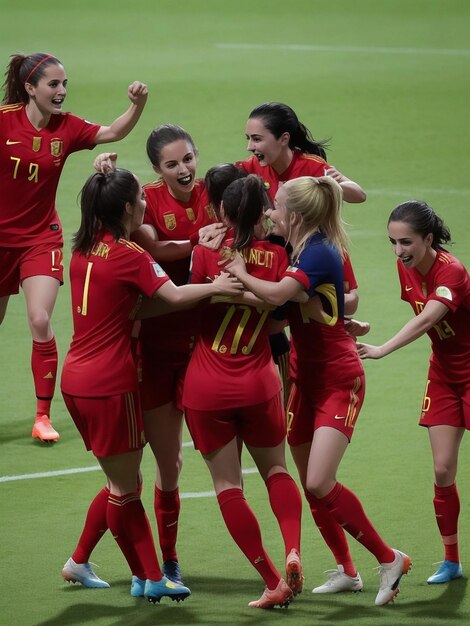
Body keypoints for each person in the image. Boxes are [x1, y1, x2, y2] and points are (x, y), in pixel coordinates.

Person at [224, 176, 412, 606]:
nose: (270, 213)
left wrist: (236, 273)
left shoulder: (320, 252)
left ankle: (389, 559)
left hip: (338, 379)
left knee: (319, 480)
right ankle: (347, 570)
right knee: (312, 486)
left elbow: (277, 294)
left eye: (276, 207)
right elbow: (303, 308)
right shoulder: (298, 246)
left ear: (295, 216)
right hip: (304, 378)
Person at [60, 168, 242, 601]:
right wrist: (213, 285)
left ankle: (88, 563)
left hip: (76, 378)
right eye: (140, 197)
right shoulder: (128, 254)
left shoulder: (83, 249)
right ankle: (150, 576)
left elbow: (136, 309)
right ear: (126, 207)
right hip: (109, 383)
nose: (147, 204)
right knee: (125, 490)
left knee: (120, 482)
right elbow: (174, 296)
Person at [0, 51, 148, 442]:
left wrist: (137, 105)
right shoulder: (3, 121)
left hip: (39, 238)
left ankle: (42, 416)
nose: (62, 91)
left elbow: (112, 132)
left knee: (39, 320)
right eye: (54, 84)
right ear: (30, 88)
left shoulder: (67, 128)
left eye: (65, 84)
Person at [183, 174, 304, 609]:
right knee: (276, 471)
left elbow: (189, 300)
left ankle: (272, 579)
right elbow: (278, 317)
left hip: (207, 386)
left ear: (224, 213)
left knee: (228, 486)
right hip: (259, 380)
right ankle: (293, 547)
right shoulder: (277, 258)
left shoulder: (205, 253)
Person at [357, 200, 469, 585]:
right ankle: (451, 561)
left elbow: (428, 318)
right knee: (441, 470)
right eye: (392, 242)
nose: (398, 251)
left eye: (406, 242)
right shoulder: (403, 268)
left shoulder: (452, 272)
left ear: (429, 238)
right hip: (444, 375)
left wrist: (383, 348)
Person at [238, 102, 366, 204]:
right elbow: (220, 184)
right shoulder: (250, 167)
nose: (249, 147)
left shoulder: (311, 166)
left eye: (257, 139)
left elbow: (359, 195)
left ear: (284, 139)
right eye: (248, 138)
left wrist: (332, 185)